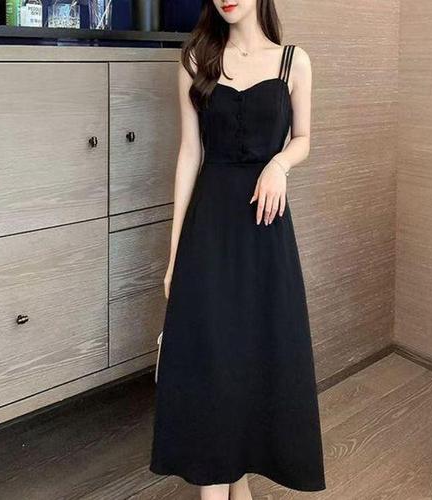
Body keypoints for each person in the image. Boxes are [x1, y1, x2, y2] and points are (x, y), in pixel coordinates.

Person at [149, 1, 326, 498]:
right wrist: (174, 256)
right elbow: (189, 154)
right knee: (213, 361)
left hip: (265, 236)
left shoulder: (294, 61)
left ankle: (237, 478)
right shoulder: (194, 60)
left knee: (253, 357)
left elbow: (304, 138)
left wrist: (279, 165)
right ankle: (219, 485)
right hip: (209, 233)